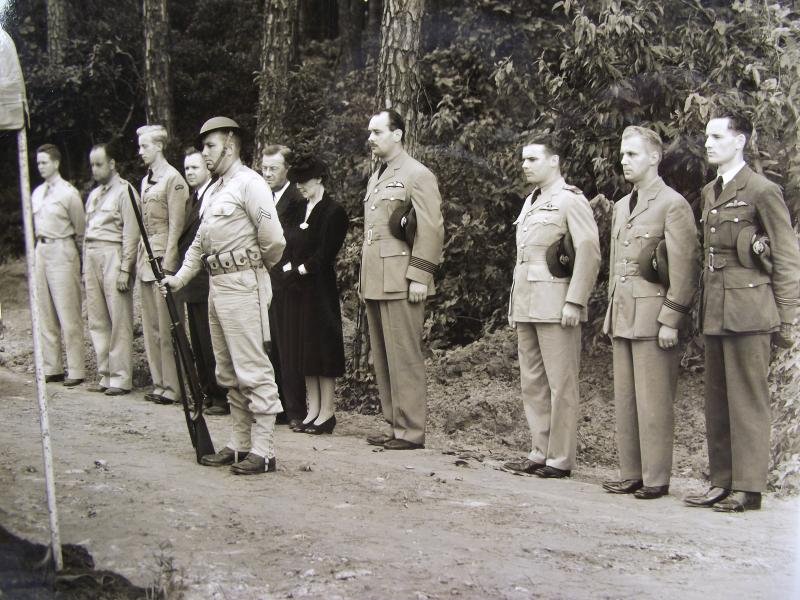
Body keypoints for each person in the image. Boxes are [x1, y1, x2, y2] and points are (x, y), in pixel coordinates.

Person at [684, 112, 800, 512]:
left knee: (748, 399)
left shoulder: (762, 191)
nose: (708, 143)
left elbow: (786, 257)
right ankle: (722, 481)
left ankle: (748, 488)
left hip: (751, 310)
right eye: (707, 137)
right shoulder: (709, 191)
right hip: (716, 308)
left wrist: (787, 317)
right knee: (717, 400)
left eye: (717, 136)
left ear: (740, 141)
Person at [160, 116, 285, 475]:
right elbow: (200, 243)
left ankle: (264, 450)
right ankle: (239, 444)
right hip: (217, 285)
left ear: (230, 144)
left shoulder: (251, 183)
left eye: (210, 146)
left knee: (252, 367)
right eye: (203, 147)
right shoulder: (215, 191)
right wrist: (179, 278)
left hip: (243, 285)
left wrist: (255, 270)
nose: (205, 153)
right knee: (227, 370)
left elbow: (274, 240)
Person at [601, 126, 699, 499]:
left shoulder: (672, 204)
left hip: (654, 317)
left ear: (654, 157)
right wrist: (611, 313)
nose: (624, 161)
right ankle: (631, 473)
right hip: (623, 314)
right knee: (626, 399)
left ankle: (655, 477)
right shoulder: (621, 206)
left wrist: (670, 319)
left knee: (654, 401)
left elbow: (685, 268)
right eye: (622, 155)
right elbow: (616, 266)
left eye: (632, 154)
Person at [503, 134, 600, 479]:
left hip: (557, 304)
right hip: (527, 302)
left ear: (554, 161)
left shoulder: (570, 200)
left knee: (561, 384)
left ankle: (559, 458)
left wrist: (575, 300)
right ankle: (539, 451)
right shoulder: (530, 201)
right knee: (532, 382)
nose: (525, 165)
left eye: (532, 159)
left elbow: (588, 251)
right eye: (523, 159)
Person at [361, 109, 445, 450]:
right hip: (377, 277)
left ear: (397, 134)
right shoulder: (378, 175)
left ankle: (411, 430)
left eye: (377, 132)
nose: (370, 138)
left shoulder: (417, 174)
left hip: (402, 278)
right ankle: (394, 424)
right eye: (370, 132)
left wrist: (420, 276)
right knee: (383, 357)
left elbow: (431, 228)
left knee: (404, 356)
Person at [281, 155, 348, 434]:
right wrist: (288, 268)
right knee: (304, 350)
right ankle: (313, 410)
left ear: (319, 178)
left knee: (322, 349)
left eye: (304, 180)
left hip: (319, 289)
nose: (300, 186)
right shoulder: (297, 209)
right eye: (296, 181)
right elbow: (287, 243)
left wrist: (300, 270)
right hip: (297, 289)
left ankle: (327, 412)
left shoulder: (334, 212)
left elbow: (325, 253)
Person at [135, 124, 187, 405]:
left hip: (164, 258)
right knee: (152, 325)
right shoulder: (146, 181)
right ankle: (159, 384)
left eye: (144, 146)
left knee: (168, 325)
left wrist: (169, 262)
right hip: (146, 258)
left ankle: (174, 386)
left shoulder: (173, 179)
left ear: (158, 146)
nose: (140, 151)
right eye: (140, 146)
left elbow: (177, 226)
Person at [83, 143, 140, 396]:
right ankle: (105, 374)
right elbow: (86, 233)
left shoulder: (125, 191)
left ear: (112, 164)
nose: (94, 169)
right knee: (97, 319)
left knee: (119, 319)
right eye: (92, 165)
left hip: (113, 255)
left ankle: (121, 378)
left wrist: (126, 268)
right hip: (92, 256)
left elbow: (131, 233)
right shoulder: (94, 195)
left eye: (99, 164)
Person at [177, 147, 228, 415]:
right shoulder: (193, 198)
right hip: (192, 281)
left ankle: (221, 395)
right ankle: (208, 390)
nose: (189, 172)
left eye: (195, 167)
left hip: (207, 278)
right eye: (186, 168)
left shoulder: (214, 195)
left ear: (208, 169)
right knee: (198, 340)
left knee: (210, 340)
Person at [31, 143, 86, 386]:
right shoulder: (37, 193)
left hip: (62, 249)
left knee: (67, 310)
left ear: (56, 163)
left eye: (44, 162)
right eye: (38, 163)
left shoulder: (68, 193)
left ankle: (76, 369)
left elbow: (80, 228)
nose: (40, 166)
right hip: (41, 250)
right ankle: (52, 367)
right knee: (45, 311)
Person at [261, 145, 307, 427]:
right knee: (271, 345)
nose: (267, 174)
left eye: (273, 169)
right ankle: (277, 405)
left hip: (287, 283)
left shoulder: (296, 200)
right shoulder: (264, 196)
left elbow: (295, 242)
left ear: (287, 170)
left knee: (289, 346)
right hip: (266, 280)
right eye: (264, 168)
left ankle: (295, 409)